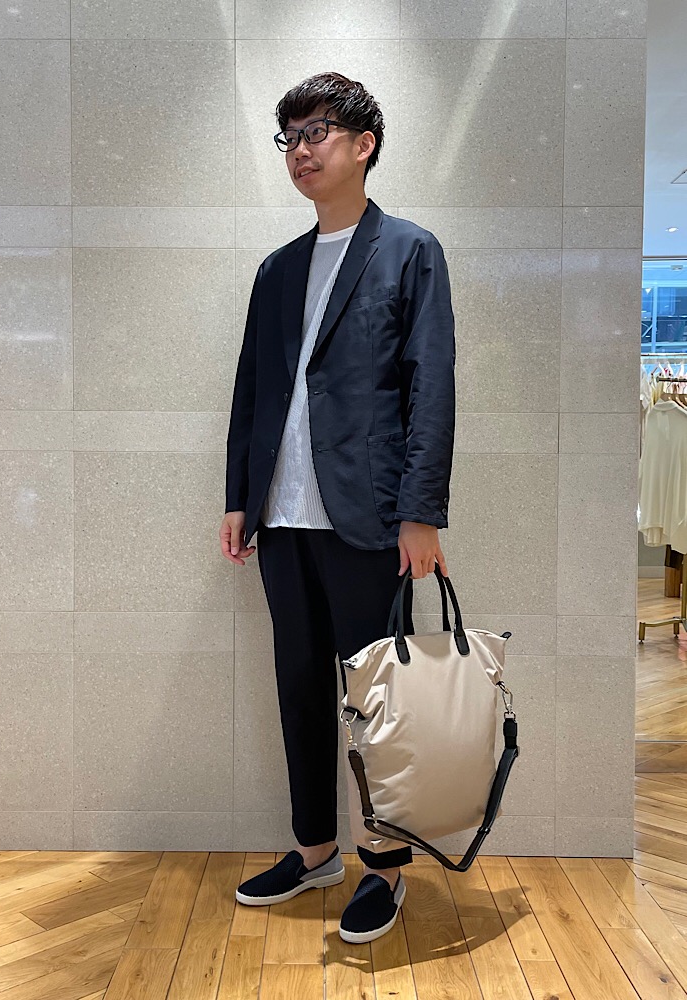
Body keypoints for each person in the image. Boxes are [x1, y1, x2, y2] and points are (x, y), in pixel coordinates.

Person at [219, 71, 456, 944]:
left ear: (364, 144)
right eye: (289, 137)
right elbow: (252, 388)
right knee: (300, 691)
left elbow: (431, 388)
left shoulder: (410, 251)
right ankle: (316, 848)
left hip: (371, 521)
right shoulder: (278, 269)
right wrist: (240, 498)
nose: (300, 150)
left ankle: (384, 865)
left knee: (379, 696)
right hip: (283, 522)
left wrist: (420, 513)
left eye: (317, 131)